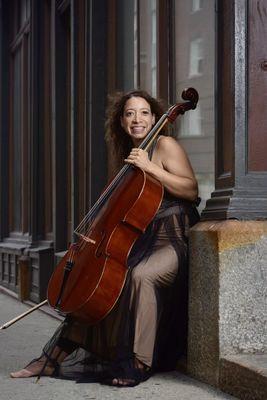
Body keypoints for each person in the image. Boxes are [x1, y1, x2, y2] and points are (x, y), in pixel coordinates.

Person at [10, 90, 200, 387]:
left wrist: (149, 167)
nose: (137, 119)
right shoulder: (128, 159)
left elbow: (190, 190)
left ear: (155, 118)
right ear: (121, 121)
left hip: (171, 238)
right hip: (140, 240)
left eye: (144, 112)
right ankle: (50, 359)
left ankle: (139, 361)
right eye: (129, 113)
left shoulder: (164, 145)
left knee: (141, 276)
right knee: (102, 285)